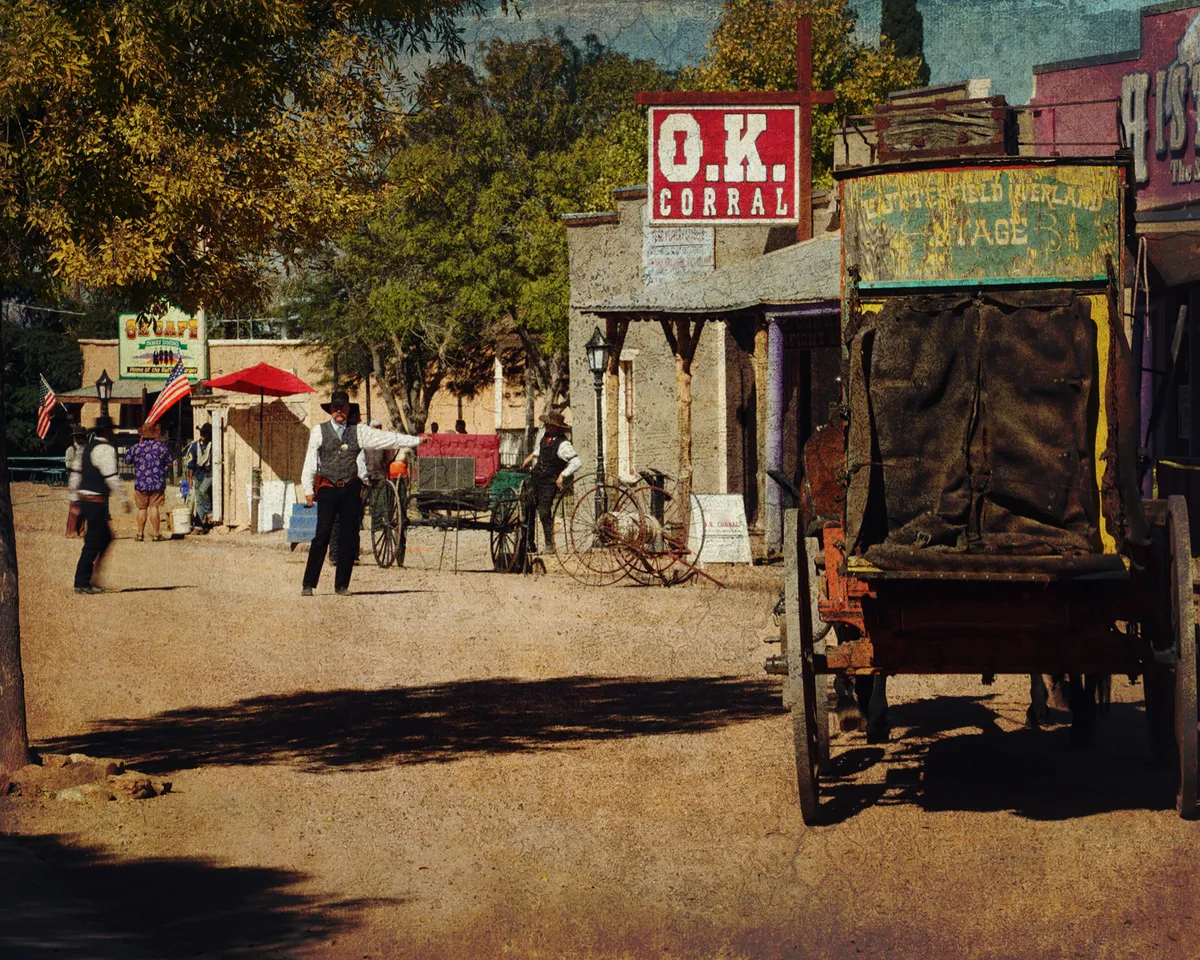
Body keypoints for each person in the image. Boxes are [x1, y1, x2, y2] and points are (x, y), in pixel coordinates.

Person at [301, 390, 422, 596]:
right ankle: (308, 584)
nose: (339, 411)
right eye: (336, 408)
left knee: (349, 537)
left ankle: (341, 585)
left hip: (350, 488)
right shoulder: (318, 431)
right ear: (330, 410)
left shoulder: (359, 431)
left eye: (343, 407)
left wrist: (416, 441)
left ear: (348, 410)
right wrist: (308, 489)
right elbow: (311, 461)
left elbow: (386, 439)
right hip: (328, 488)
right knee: (322, 535)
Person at [68, 415, 130, 593]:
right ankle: (82, 582)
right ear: (107, 431)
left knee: (102, 538)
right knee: (94, 542)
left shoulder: (85, 449)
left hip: (85, 498)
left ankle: (91, 576)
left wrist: (74, 497)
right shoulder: (106, 449)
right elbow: (110, 476)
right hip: (96, 500)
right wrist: (123, 498)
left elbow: (76, 474)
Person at [520, 412, 582, 552]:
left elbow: (576, 462)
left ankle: (549, 544)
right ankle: (529, 543)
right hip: (537, 477)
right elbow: (541, 449)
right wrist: (531, 456)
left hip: (549, 482)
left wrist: (562, 475)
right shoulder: (546, 437)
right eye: (547, 424)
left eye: (550, 425)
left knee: (544, 511)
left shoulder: (563, 444)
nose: (547, 427)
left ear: (557, 428)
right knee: (528, 505)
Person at [123, 421, 172, 541]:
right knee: (154, 507)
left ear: (142, 435)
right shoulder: (161, 447)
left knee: (142, 508)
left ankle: (140, 534)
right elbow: (170, 462)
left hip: (141, 482)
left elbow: (127, 460)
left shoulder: (136, 448)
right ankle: (156, 534)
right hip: (157, 482)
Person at [186, 423, 213, 531]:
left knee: (203, 492)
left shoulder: (212, 445)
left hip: (209, 475)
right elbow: (191, 463)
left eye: (205, 433)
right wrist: (190, 478)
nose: (202, 435)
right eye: (202, 432)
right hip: (198, 475)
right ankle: (200, 523)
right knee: (200, 499)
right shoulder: (194, 446)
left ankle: (209, 515)